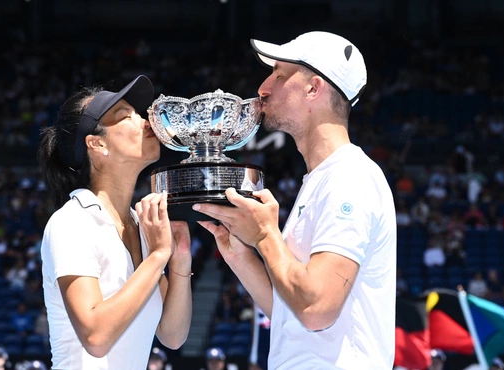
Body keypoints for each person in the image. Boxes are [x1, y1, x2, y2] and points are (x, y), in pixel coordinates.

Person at [194, 31, 396, 368]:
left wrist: (265, 236)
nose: (264, 87)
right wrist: (240, 255)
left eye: (279, 74)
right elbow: (290, 313)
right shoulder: (323, 178)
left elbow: (316, 310)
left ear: (313, 88)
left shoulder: (349, 177)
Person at [38, 75, 192, 369]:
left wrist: (180, 263)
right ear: (97, 144)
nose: (146, 120)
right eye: (126, 115)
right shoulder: (72, 222)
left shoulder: (141, 225)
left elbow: (172, 335)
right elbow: (95, 337)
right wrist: (158, 256)